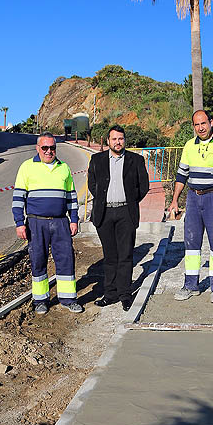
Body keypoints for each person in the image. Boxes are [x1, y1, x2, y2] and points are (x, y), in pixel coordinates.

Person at [168, 110, 213, 303]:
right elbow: (181, 175)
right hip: (193, 199)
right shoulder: (189, 146)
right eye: (196, 124)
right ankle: (191, 285)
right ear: (193, 126)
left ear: (210, 122)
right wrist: (175, 200)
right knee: (191, 243)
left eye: (203, 123)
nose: (200, 128)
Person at [12, 132, 83, 314]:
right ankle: (41, 300)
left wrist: (73, 220)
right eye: (45, 148)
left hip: (60, 222)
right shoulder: (26, 167)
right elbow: (19, 198)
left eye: (52, 148)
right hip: (36, 223)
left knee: (66, 259)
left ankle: (68, 299)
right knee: (38, 261)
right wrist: (20, 223)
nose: (49, 151)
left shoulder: (64, 168)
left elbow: (71, 198)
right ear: (38, 148)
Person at [87, 125, 149, 311]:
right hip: (104, 213)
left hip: (125, 213)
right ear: (108, 141)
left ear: (124, 140)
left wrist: (130, 199)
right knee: (110, 256)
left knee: (125, 255)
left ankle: (125, 294)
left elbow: (143, 186)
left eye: (120, 138)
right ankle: (110, 293)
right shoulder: (96, 159)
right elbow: (92, 183)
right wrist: (102, 198)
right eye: (114, 139)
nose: (118, 142)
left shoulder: (135, 160)